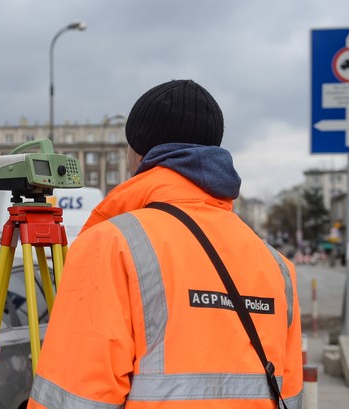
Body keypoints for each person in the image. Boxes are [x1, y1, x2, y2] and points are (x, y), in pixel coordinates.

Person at [27, 79, 302, 408]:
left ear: (139, 153)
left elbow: (73, 400)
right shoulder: (277, 267)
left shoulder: (112, 245)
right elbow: (291, 397)